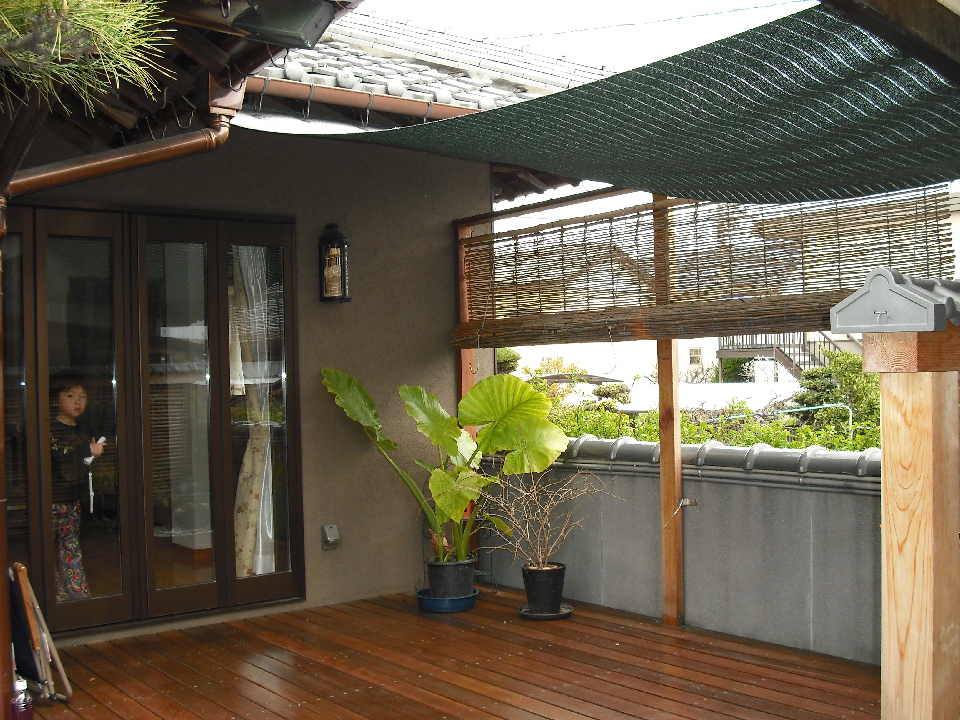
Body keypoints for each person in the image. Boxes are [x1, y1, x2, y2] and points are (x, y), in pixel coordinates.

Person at [49, 374, 106, 601]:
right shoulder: (49, 428)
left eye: (82, 396)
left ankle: (78, 595)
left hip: (73, 499)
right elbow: (58, 453)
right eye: (71, 396)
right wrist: (87, 450)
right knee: (46, 550)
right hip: (49, 500)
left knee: (70, 546)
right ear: (55, 400)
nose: (78, 402)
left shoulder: (84, 427)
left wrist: (96, 447)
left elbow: (97, 444)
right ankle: (55, 596)